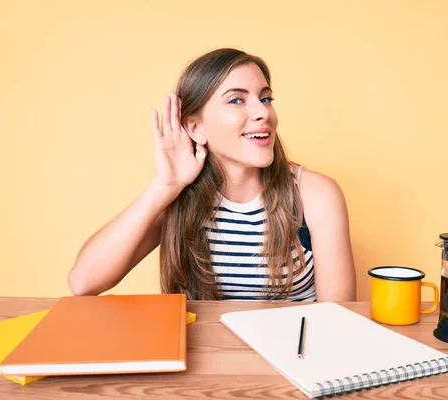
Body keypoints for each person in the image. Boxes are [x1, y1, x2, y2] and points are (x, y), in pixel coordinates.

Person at [68, 48, 356, 301]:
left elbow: (338, 318)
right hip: (207, 357)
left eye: (265, 98)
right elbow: (83, 283)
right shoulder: (177, 195)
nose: (264, 113)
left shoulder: (316, 194)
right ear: (195, 128)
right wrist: (165, 185)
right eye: (236, 101)